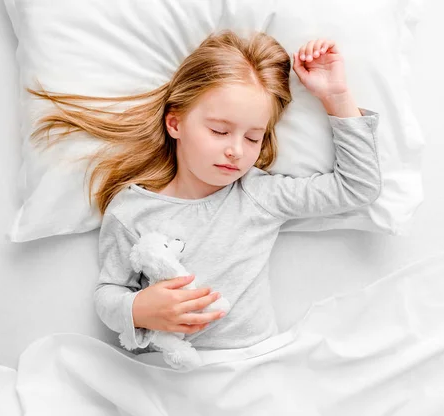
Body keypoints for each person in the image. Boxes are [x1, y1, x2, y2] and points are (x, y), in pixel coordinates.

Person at [27, 30, 381, 354]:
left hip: (249, 364)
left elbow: (357, 188)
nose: (237, 151)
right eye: (219, 131)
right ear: (175, 123)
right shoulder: (132, 210)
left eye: (253, 137)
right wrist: (136, 309)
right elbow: (108, 292)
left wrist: (337, 98)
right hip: (169, 375)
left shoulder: (258, 195)